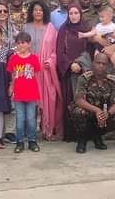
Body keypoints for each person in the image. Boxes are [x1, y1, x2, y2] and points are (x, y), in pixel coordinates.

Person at [69, 52, 115, 153]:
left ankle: (98, 136)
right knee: (78, 112)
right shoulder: (84, 78)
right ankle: (82, 140)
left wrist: (107, 113)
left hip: (103, 112)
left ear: (107, 65)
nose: (100, 66)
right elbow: (78, 100)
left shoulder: (112, 80)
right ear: (93, 63)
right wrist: (97, 110)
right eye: (98, 63)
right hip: (88, 111)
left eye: (104, 64)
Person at [56, 4, 92, 142]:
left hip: (85, 71)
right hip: (69, 73)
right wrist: (71, 64)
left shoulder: (86, 29)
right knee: (71, 102)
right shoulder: (63, 30)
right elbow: (60, 51)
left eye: (76, 13)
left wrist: (81, 64)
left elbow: (91, 48)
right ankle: (72, 133)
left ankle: (87, 133)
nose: (74, 15)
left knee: (86, 101)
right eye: (71, 13)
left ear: (80, 14)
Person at [8, 32, 43, 153]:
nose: (21, 45)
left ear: (29, 44)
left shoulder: (34, 58)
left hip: (31, 94)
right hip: (18, 94)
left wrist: (38, 91)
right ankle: (19, 142)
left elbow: (37, 75)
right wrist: (11, 87)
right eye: (18, 43)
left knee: (31, 119)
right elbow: (13, 75)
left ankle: (32, 141)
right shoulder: (13, 58)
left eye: (23, 43)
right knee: (20, 119)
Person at [38, 10, 63, 141]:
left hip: (46, 71)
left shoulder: (51, 29)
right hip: (29, 69)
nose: (38, 12)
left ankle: (49, 128)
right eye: (35, 10)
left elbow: (55, 50)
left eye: (40, 10)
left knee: (50, 98)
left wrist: (50, 61)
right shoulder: (27, 27)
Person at [79, 6, 115, 75]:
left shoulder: (113, 26)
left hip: (110, 46)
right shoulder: (98, 26)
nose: (100, 19)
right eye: (100, 17)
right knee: (96, 58)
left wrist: (110, 34)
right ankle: (94, 72)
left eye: (103, 17)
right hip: (99, 46)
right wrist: (84, 35)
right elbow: (93, 33)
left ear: (110, 16)